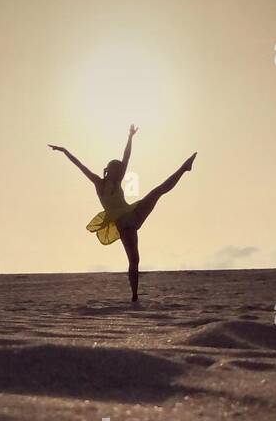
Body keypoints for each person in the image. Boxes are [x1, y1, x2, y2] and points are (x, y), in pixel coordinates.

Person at [49, 127, 196, 302]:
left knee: (158, 191)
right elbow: (80, 165)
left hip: (134, 212)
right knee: (134, 259)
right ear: (108, 170)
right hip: (124, 223)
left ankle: (184, 167)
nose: (119, 172)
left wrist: (130, 137)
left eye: (120, 170)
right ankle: (134, 295)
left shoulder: (117, 180)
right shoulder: (98, 183)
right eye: (115, 169)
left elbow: (126, 158)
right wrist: (64, 151)